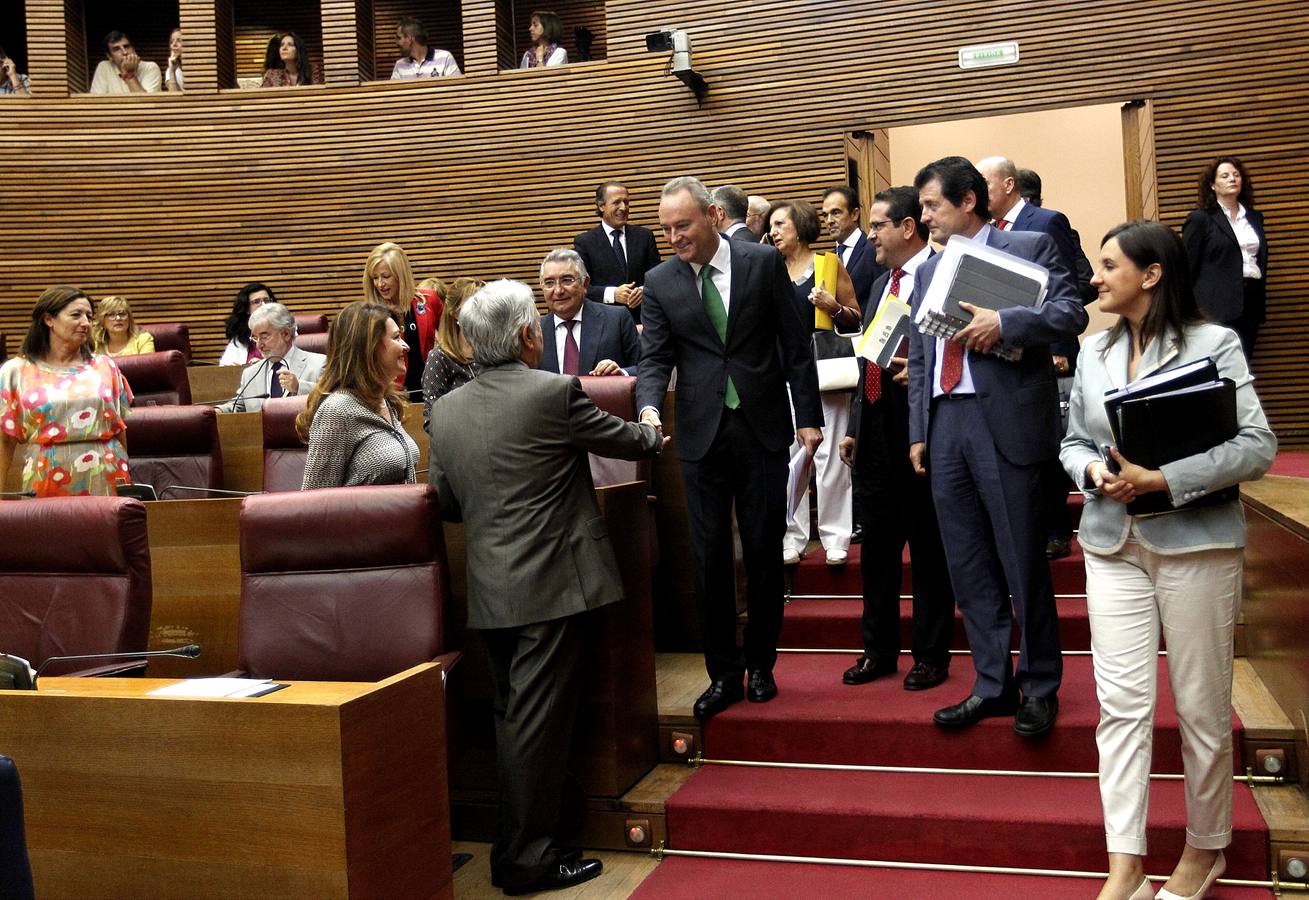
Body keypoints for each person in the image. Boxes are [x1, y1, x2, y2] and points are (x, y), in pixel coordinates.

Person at [1059, 221, 1276, 900]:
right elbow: (1069, 441)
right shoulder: (1092, 351)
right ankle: (1124, 862)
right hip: (1109, 543)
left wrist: (1163, 479)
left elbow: (1256, 446)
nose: (1095, 277)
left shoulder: (1213, 344)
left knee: (1200, 709)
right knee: (1119, 710)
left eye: (1107, 265)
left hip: (1195, 541)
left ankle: (1204, 847)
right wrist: (1093, 471)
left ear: (1150, 274)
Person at [428, 279, 661, 895]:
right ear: (530, 335)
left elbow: (449, 505)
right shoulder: (556, 392)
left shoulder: (444, 411)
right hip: (554, 589)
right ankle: (526, 862)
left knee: (515, 722)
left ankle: (519, 848)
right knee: (534, 729)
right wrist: (650, 413)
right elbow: (636, 443)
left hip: (490, 592)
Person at [907, 156, 1087, 738]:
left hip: (1003, 422)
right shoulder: (928, 269)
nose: (924, 215)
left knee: (1020, 560)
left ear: (968, 201)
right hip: (944, 423)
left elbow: (1070, 313)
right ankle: (991, 683)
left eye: (933, 205)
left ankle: (1039, 684)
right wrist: (918, 431)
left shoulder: (1030, 245)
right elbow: (922, 352)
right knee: (968, 564)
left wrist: (1006, 323)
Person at [637, 176, 823, 719]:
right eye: (666, 228)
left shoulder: (762, 264)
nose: (674, 237)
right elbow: (653, 359)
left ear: (713, 217)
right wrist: (649, 407)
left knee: (764, 549)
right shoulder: (659, 282)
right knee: (709, 556)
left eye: (683, 226)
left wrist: (808, 417)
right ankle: (722, 673)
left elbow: (795, 347)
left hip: (761, 426)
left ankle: (762, 663)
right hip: (700, 434)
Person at [837, 187, 955, 690]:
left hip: (921, 429)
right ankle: (878, 651)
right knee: (878, 552)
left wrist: (924, 374)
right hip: (876, 433)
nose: (872, 236)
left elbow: (957, 348)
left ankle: (930, 655)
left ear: (908, 227)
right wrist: (855, 429)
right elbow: (870, 360)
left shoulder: (942, 275)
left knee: (927, 549)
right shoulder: (879, 284)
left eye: (879, 226)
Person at [977, 155, 1098, 561]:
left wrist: (1062, 349)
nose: (978, 194)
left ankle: (1056, 529)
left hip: (1046, 351)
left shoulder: (1046, 223)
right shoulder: (987, 232)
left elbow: (1070, 289)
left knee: (1048, 442)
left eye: (986, 184)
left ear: (1008, 185)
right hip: (1003, 354)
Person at [769, 199, 860, 567]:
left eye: (780, 225)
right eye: (771, 226)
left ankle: (835, 536)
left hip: (826, 374)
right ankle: (792, 536)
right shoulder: (767, 267)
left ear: (801, 228)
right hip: (781, 376)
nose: (772, 232)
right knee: (790, 458)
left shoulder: (828, 264)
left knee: (831, 457)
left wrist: (832, 305)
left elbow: (856, 319)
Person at [0, 286, 133, 497]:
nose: (86, 323)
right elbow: (4, 440)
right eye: (76, 315)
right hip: (46, 476)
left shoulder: (105, 366)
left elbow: (119, 428)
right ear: (48, 319)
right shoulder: (15, 371)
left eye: (89, 316)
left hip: (106, 474)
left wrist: (129, 482)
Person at [299, 301, 419, 489]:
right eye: (396, 338)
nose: (405, 346)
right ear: (368, 348)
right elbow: (315, 499)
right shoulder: (337, 411)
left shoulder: (385, 401)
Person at [1182, 156, 1267, 362]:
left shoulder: (1254, 218)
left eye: (1236, 175)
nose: (1232, 179)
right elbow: (1186, 267)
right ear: (1212, 184)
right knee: (1218, 364)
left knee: (1243, 363)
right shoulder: (1201, 219)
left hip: (1251, 299)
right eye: (1225, 176)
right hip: (1215, 305)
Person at [536, 248, 640, 377]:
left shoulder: (617, 319)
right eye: (549, 283)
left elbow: (645, 368)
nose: (558, 290)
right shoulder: (535, 331)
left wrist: (621, 373)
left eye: (567, 280)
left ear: (585, 284)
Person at [572, 181, 661, 322]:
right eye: (617, 202)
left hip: (644, 321)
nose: (623, 207)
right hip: (604, 323)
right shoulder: (584, 242)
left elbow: (658, 277)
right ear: (601, 206)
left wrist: (642, 291)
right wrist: (614, 294)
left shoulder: (645, 236)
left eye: (626, 202)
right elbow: (580, 287)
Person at [362, 241, 440, 396]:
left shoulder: (429, 299)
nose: (380, 284)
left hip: (432, 389)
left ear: (400, 275)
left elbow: (448, 341)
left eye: (386, 276)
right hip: (393, 393)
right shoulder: (370, 315)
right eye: (375, 278)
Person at [222, 302, 325, 412]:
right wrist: (214, 411)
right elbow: (236, 407)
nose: (259, 345)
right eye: (255, 338)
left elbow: (333, 399)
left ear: (285, 334)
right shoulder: (250, 374)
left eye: (264, 337)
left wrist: (299, 386)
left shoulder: (319, 364)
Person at [421, 277, 483, 426]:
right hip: (456, 439)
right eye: (474, 304)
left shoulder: (495, 353)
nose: (481, 311)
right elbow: (431, 418)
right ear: (455, 313)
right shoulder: (440, 357)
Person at [821, 185, 884, 310]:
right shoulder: (828, 258)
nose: (829, 221)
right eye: (825, 215)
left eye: (835, 213)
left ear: (854, 214)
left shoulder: (874, 249)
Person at [220, 282, 275, 365]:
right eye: (257, 302)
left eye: (266, 300)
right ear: (247, 309)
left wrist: (263, 365)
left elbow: (289, 360)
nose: (263, 305)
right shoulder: (240, 335)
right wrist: (232, 368)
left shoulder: (284, 328)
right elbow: (224, 366)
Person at [90, 31, 162, 94]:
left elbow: (146, 104)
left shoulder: (150, 67)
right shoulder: (104, 67)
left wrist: (129, 74)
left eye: (126, 46)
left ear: (133, 49)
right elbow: (95, 103)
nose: (124, 52)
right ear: (109, 56)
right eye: (116, 49)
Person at [390, 16, 461, 78]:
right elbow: (393, 92)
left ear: (409, 39)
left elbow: (457, 87)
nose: (396, 42)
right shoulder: (399, 65)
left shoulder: (445, 58)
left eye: (399, 38)